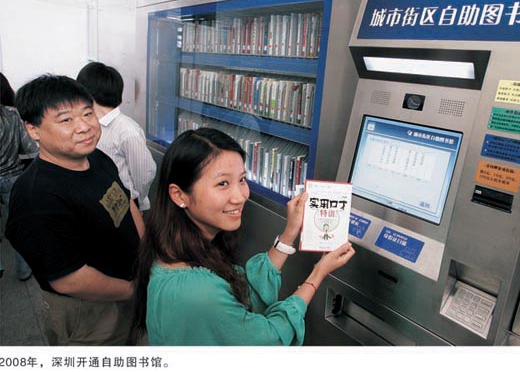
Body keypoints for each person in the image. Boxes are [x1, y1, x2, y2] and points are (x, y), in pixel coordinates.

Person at [130, 128, 355, 345]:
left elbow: (242, 294)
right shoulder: (199, 292)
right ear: (179, 195)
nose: (240, 196)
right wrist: (318, 273)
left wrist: (289, 234)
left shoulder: (173, 247)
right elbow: (268, 339)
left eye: (242, 179)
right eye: (223, 184)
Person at [6, 74, 144, 345]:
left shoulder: (97, 157)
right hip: (89, 312)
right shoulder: (36, 197)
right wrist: (135, 290)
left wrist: (146, 259)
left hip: (130, 286)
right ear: (33, 129)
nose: (84, 127)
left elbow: (126, 203)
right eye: (66, 120)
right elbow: (70, 280)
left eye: (87, 113)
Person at [77, 62, 156, 211]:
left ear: (87, 93)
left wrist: (135, 201)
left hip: (124, 205)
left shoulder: (126, 130)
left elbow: (144, 173)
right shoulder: (89, 124)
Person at [0, 72, 38, 280]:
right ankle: (23, 270)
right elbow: (30, 147)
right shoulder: (13, 114)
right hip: (12, 176)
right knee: (18, 225)